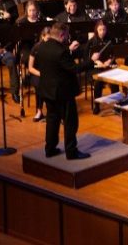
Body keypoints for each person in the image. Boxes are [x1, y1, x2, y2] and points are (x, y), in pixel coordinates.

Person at [36, 24, 88, 160]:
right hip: (63, 92)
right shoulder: (61, 51)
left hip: (47, 90)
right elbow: (75, 68)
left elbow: (55, 63)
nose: (67, 38)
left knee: (52, 120)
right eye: (66, 35)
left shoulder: (42, 46)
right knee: (70, 122)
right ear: (62, 35)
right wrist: (92, 62)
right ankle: (71, 151)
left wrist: (68, 50)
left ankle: (50, 149)